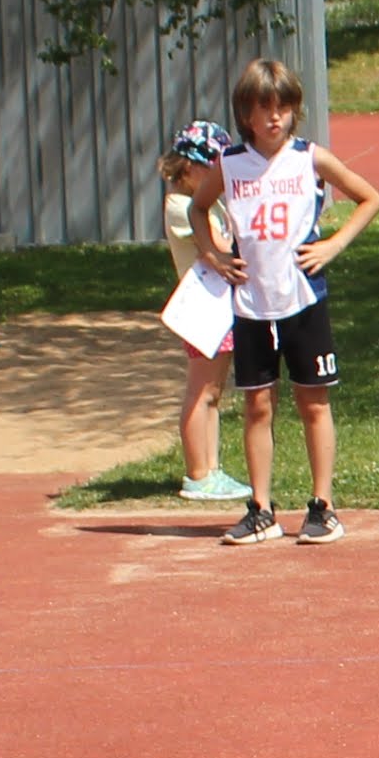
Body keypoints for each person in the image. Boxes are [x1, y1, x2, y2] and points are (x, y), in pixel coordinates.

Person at [209, 55, 379, 545]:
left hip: (303, 299)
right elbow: (199, 209)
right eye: (263, 109)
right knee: (257, 405)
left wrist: (333, 245)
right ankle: (261, 509)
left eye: (282, 108)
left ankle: (323, 506)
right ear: (246, 114)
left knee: (313, 403)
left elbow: (370, 198)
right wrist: (214, 254)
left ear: (295, 111)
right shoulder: (230, 165)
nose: (274, 118)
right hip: (251, 304)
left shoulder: (310, 158)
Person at [158, 120, 246, 502]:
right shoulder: (182, 207)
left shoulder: (205, 202)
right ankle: (198, 474)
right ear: (189, 167)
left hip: (220, 307)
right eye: (212, 168)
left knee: (214, 392)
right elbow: (221, 245)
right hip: (202, 309)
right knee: (201, 390)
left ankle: (212, 468)